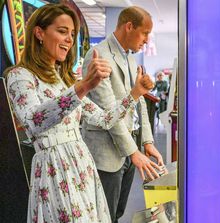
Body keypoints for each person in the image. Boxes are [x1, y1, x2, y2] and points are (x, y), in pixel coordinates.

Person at [4, 4, 154, 222]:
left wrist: (135, 94)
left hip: (82, 166)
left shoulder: (62, 80)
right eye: (62, 31)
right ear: (39, 33)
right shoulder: (19, 76)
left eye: (72, 34)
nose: (69, 39)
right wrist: (83, 87)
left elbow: (103, 119)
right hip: (54, 169)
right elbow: (34, 122)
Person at [81, 6, 164, 222]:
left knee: (117, 211)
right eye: (145, 33)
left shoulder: (131, 58)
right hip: (107, 148)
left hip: (130, 143)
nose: (146, 40)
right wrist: (134, 151)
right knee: (105, 215)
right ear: (129, 26)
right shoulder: (98, 55)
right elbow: (110, 113)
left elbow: (139, 103)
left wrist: (146, 140)